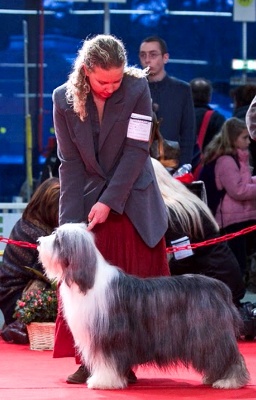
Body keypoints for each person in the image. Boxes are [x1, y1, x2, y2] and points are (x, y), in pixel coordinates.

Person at [52, 34, 170, 384]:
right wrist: (68, 228)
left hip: (134, 197)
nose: (111, 87)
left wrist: (110, 201)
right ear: (86, 72)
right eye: (103, 81)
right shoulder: (62, 99)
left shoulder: (137, 88)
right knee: (84, 287)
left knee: (136, 288)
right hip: (87, 201)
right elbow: (69, 164)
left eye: (117, 79)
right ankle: (91, 358)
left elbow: (137, 151)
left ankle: (125, 360)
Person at [151, 157, 245, 307]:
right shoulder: (184, 201)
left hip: (215, 290)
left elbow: (182, 258)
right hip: (221, 281)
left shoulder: (173, 211)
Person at [0, 177, 60, 341]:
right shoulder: (35, 235)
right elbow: (52, 274)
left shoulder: (28, 223)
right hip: (15, 300)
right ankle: (19, 324)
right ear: (48, 207)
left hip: (10, 295)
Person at [201, 117, 256, 276]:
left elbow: (242, 182)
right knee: (237, 260)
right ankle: (236, 297)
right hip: (232, 219)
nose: (249, 141)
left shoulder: (239, 157)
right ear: (233, 138)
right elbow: (237, 190)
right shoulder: (226, 160)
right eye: (244, 137)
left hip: (241, 216)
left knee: (241, 258)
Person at [139, 35, 196, 166]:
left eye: (153, 55)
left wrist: (185, 165)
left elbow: (188, 132)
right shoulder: (133, 90)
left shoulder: (182, 90)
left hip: (173, 165)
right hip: (140, 165)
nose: (147, 60)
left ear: (165, 58)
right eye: (143, 55)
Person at [190, 77, 225, 175]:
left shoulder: (176, 114)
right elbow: (222, 147)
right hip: (206, 171)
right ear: (209, 96)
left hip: (174, 171)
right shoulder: (217, 119)